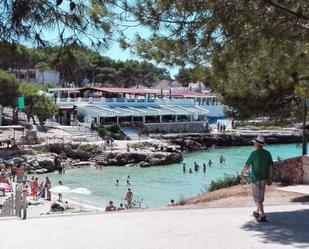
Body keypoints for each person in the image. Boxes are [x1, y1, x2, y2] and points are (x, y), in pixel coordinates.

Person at [240, 135, 273, 222]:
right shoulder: (268, 153)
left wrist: (242, 172)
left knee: (257, 198)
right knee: (260, 197)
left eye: (254, 143)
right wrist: (270, 178)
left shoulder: (254, 153)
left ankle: (263, 215)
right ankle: (257, 212)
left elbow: (247, 165)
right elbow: (270, 167)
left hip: (255, 179)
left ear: (257, 144)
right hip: (264, 178)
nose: (253, 144)